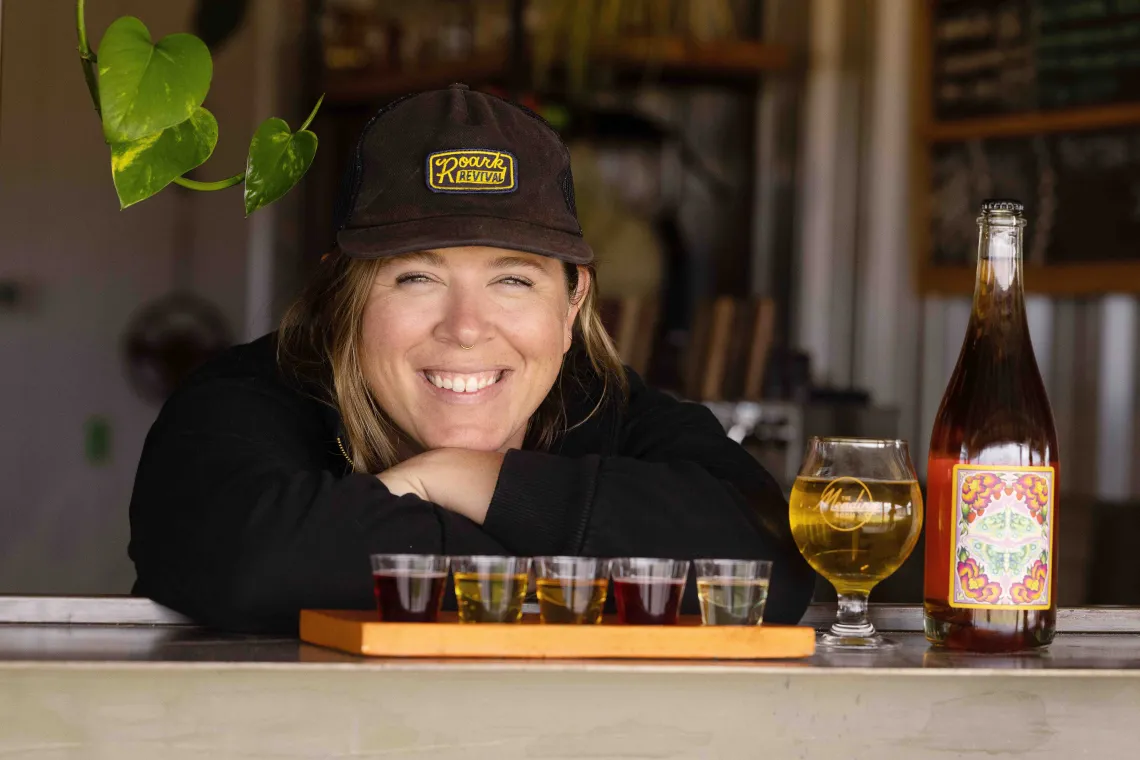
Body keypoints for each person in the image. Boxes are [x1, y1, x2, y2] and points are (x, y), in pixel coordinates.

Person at [128, 84, 815, 633]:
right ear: (345, 295)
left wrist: (463, 478)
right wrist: (580, 550)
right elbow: (254, 561)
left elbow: (771, 567)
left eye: (512, 280)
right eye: (416, 278)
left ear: (572, 303)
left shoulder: (607, 409)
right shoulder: (243, 400)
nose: (465, 329)